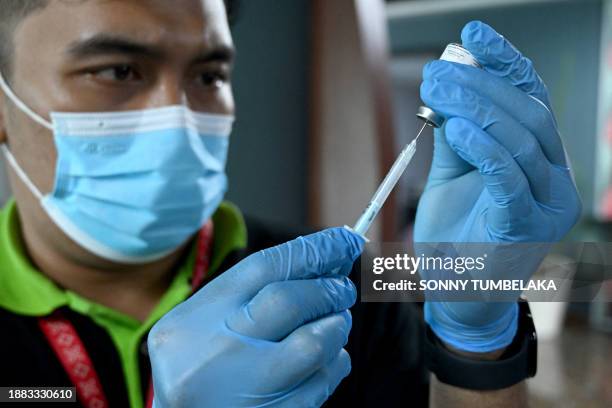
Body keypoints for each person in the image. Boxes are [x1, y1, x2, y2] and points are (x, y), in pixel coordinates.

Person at [0, 1, 581, 407]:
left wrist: (475, 345)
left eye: (208, 74)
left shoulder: (345, 293)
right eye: (118, 70)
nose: (180, 115)